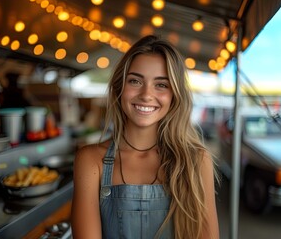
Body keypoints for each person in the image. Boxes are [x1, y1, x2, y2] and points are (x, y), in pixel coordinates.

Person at [71, 35, 219, 239]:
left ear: (175, 95)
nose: (146, 94)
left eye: (161, 85)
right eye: (135, 81)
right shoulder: (90, 160)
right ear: (119, 88)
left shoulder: (196, 160)